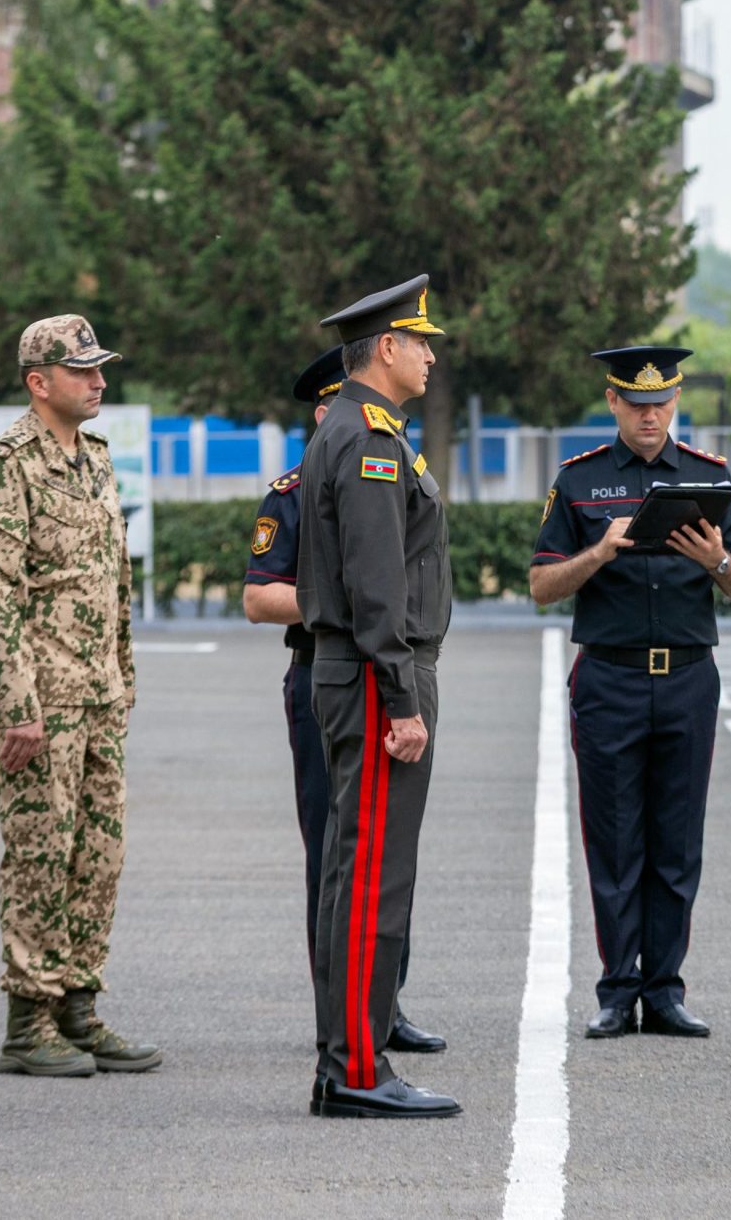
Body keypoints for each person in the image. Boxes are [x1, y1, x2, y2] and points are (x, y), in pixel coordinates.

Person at [529, 345, 731, 1040]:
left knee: (676, 841)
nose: (651, 414)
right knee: (614, 839)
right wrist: (599, 552)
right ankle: (616, 988)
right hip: (611, 676)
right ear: (612, 402)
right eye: (636, 403)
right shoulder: (580, 480)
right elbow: (542, 585)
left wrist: (714, 559)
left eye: (662, 402)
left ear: (677, 402)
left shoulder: (708, 476)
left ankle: (664, 988)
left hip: (688, 675)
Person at [0, 314, 158, 1079]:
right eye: (82, 371)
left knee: (98, 853)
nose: (99, 380)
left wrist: (124, 675)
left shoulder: (95, 459)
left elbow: (115, 583)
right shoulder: (5, 465)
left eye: (100, 368)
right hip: (41, 697)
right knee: (41, 852)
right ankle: (27, 1020)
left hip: (99, 692)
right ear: (39, 382)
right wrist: (16, 705)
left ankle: (78, 1004)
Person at [245, 347, 440, 1056]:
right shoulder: (304, 483)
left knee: (379, 853)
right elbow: (258, 595)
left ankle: (378, 1006)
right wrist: (341, 600)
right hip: (332, 672)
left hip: (360, 664)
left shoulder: (386, 455)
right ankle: (345, 1023)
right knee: (342, 856)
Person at [298, 274, 456, 1118]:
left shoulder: (367, 429)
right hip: (373, 673)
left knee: (355, 870)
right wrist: (402, 700)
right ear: (386, 347)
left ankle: (349, 1060)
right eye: (421, 340)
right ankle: (357, 1068)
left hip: (366, 669)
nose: (430, 354)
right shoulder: (368, 437)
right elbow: (374, 584)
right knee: (370, 879)